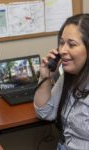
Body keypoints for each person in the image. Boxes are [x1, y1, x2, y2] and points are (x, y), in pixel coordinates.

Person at [34, 13, 89, 150]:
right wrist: (46, 77)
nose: (63, 50)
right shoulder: (68, 75)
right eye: (61, 43)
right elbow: (44, 113)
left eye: (71, 44)